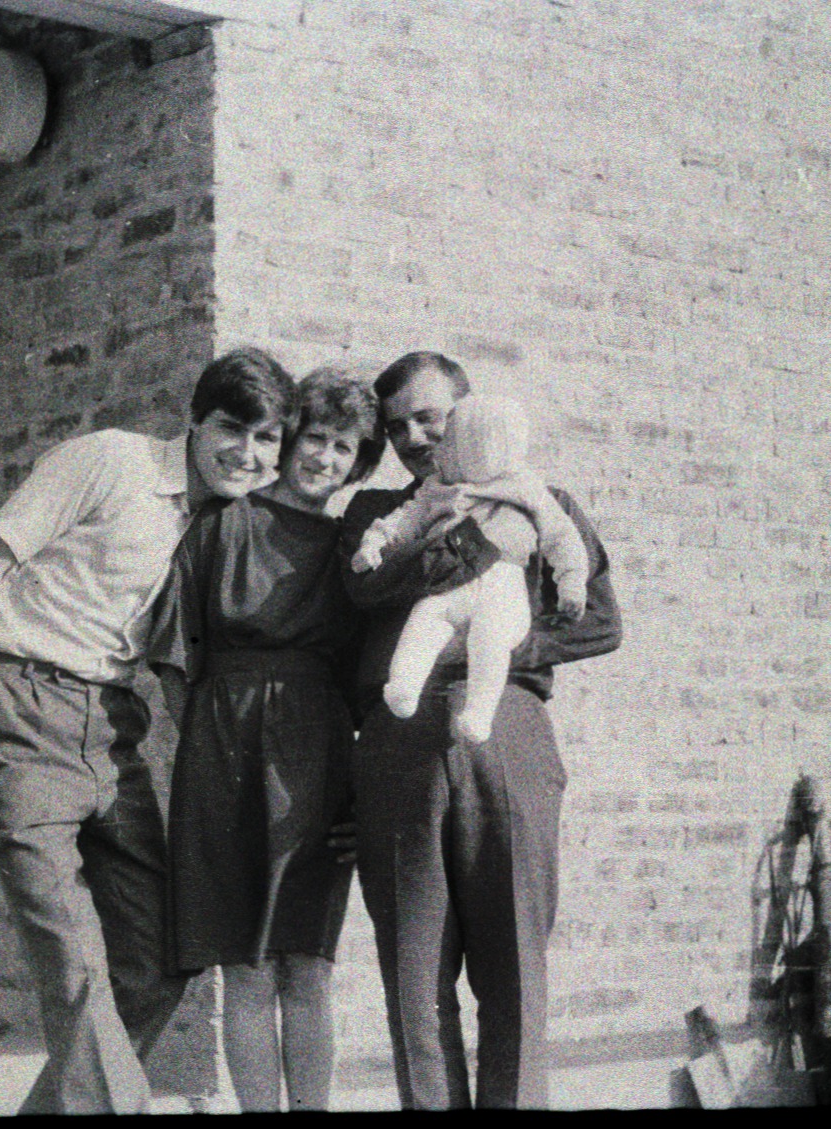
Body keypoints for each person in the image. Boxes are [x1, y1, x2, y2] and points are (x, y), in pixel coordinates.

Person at [0, 347, 296, 1114]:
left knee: (161, 954)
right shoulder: (111, 459)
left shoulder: (222, 526)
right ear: (194, 421)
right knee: (74, 962)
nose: (246, 451)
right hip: (22, 712)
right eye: (232, 428)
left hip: (112, 731)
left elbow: (177, 664)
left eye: (266, 437)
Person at [341, 351, 623, 1110]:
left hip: (507, 731)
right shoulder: (375, 517)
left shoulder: (542, 501)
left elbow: (599, 621)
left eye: (428, 417)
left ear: (468, 410)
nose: (413, 437)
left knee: (514, 969)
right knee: (415, 981)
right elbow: (363, 592)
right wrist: (460, 535)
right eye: (396, 426)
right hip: (398, 742)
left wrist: (499, 648)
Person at [146, 369, 384, 1112]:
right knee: (245, 969)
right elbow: (173, 659)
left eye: (344, 448)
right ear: (289, 438)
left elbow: (368, 680)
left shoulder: (353, 549)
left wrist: (356, 789)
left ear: (360, 461)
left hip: (318, 765)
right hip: (221, 755)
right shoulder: (225, 524)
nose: (324, 458)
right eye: (314, 437)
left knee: (307, 965)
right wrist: (210, 753)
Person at [350, 392, 588, 743]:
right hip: (449, 590)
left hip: (502, 585)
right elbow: (404, 519)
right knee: (425, 621)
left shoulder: (526, 488)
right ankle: (403, 687)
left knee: (490, 638)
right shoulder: (438, 487)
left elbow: (561, 537)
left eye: (447, 436)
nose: (438, 447)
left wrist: (572, 584)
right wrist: (373, 544)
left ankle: (479, 712)